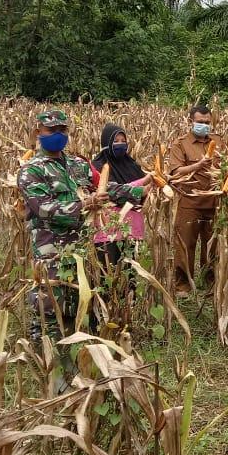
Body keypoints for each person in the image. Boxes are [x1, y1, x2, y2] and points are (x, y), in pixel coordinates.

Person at [18, 110, 145, 379]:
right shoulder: (31, 171)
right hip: (51, 248)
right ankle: (45, 361)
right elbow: (43, 208)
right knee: (50, 303)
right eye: (50, 131)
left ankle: (75, 358)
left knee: (78, 300)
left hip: (82, 246)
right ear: (37, 133)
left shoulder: (78, 164)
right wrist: (84, 204)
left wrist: (137, 191)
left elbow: (104, 187)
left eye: (62, 130)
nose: (57, 135)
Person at [90, 123, 152, 327]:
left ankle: (125, 322)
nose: (120, 144)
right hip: (107, 232)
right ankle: (100, 324)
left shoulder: (133, 166)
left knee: (129, 278)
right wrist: (140, 188)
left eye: (123, 140)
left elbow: (148, 192)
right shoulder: (97, 167)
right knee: (105, 278)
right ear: (105, 143)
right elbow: (109, 191)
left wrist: (154, 183)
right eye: (115, 141)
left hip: (132, 231)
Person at [167, 105, 223, 293]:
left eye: (207, 123)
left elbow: (227, 166)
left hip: (214, 202)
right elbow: (175, 173)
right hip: (189, 201)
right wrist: (198, 165)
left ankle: (210, 283)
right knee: (185, 245)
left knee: (212, 245)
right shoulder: (180, 144)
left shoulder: (218, 142)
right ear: (191, 121)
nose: (204, 126)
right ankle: (183, 286)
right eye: (200, 122)